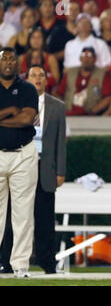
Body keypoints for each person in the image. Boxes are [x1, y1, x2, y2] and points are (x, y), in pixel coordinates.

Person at [0, 65, 67, 275]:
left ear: (47, 80)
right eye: (33, 75)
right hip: (19, 161)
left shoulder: (57, 106)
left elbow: (60, 142)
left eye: (41, 75)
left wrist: (61, 171)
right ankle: (7, 262)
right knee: (13, 217)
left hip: (44, 168)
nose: (37, 78)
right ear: (26, 79)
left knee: (44, 219)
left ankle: (48, 263)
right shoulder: (14, 101)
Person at [0, 47, 38, 278]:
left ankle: (20, 265)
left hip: (23, 154)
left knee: (23, 213)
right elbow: (19, 115)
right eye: (3, 58)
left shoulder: (27, 88)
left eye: (11, 59)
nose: (7, 62)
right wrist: (11, 111)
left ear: (18, 63)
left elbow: (26, 119)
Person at [56, 47, 111, 116]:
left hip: (91, 116)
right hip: (69, 114)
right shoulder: (70, 73)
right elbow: (59, 94)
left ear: (95, 59)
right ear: (80, 59)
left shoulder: (103, 74)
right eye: (84, 56)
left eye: (89, 56)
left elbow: (108, 98)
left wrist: (93, 111)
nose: (86, 59)